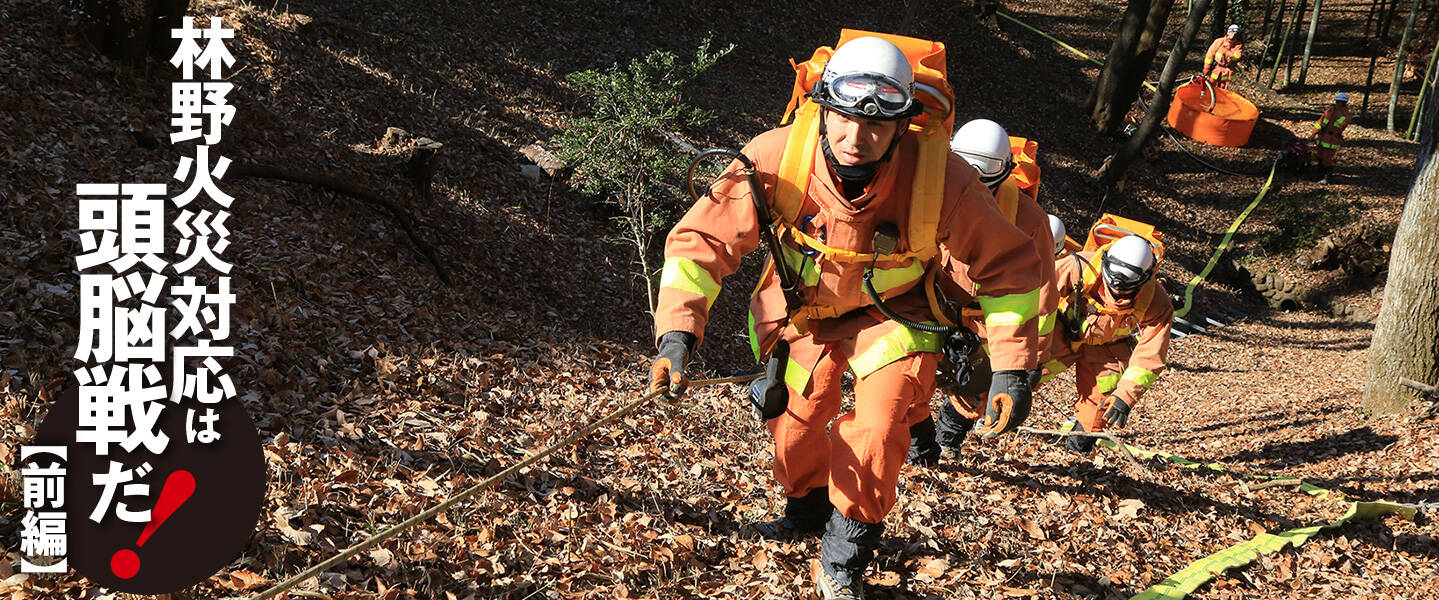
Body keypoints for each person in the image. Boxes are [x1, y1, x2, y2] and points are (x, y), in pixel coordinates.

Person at [648, 36, 1046, 599]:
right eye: (843, 119)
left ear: (903, 124)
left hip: (895, 316)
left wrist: (1010, 368)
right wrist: (677, 334)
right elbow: (700, 245)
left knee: (880, 426)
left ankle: (845, 556)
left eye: (876, 127)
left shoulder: (942, 178)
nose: (856, 139)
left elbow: (1008, 268)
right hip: (804, 313)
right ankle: (804, 511)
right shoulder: (775, 157)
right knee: (796, 422)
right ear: (822, 106)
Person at [907, 119, 1058, 464]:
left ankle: (948, 435)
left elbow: (1044, 295)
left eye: (985, 170)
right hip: (928, 304)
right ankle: (920, 444)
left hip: (988, 320)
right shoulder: (927, 194)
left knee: (978, 392)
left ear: (1005, 171)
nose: (974, 179)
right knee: (907, 378)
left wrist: (1027, 363)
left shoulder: (1030, 219)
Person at [1041, 235, 1172, 454]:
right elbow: (1037, 298)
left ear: (1144, 279)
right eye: (1113, 282)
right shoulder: (1079, 266)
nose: (1118, 290)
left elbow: (1150, 354)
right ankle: (985, 416)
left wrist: (1124, 396)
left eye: (1127, 286)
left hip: (1109, 349)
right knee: (1021, 374)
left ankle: (1077, 451)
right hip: (1064, 330)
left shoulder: (1155, 300)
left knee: (1098, 411)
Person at [1313, 93, 1352, 184]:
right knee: (1319, 156)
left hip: (1332, 139)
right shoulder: (1330, 111)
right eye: (1337, 101)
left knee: (1327, 159)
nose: (1337, 103)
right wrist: (1314, 132)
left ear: (1344, 103)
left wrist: (1336, 114)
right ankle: (1319, 176)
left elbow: (1341, 124)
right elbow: (1321, 121)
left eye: (1340, 102)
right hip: (1322, 137)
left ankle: (1327, 178)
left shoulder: (1345, 115)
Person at [1203, 24, 1243, 88]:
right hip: (1215, 69)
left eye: (1235, 33)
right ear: (1228, 32)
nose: (1232, 35)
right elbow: (1209, 56)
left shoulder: (1238, 45)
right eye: (1231, 32)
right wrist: (1206, 68)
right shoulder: (1219, 42)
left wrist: (1227, 52)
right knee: (1209, 87)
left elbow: (1237, 57)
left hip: (1226, 72)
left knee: (1222, 89)